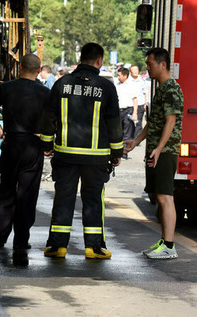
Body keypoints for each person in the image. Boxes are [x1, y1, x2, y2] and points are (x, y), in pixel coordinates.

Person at [39, 42, 122, 260]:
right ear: (99, 61)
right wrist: (116, 153)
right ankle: (93, 248)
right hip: (96, 158)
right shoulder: (106, 87)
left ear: (80, 58)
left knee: (63, 198)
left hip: (65, 155)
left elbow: (48, 118)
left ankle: (58, 247)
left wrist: (47, 145)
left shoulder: (61, 83)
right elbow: (114, 123)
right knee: (93, 200)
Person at [0, 53, 50, 266]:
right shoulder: (45, 93)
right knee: (27, 193)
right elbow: (54, 119)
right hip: (32, 146)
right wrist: (45, 138)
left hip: (11, 144)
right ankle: (21, 240)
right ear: (39, 70)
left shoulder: (6, 88)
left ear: (20, 68)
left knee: (7, 190)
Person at [125, 47, 183, 260]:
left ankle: (169, 246)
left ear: (163, 64)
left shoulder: (171, 89)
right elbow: (154, 123)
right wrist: (136, 142)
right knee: (159, 196)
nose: (147, 68)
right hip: (157, 151)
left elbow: (171, 121)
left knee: (166, 197)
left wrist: (158, 149)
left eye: (150, 64)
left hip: (165, 152)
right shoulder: (162, 89)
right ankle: (164, 241)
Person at [115, 67, 138, 157]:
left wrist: (135, 113)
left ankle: (124, 152)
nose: (118, 77)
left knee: (127, 132)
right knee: (118, 131)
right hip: (118, 111)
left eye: (119, 75)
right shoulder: (117, 85)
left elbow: (135, 100)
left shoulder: (131, 85)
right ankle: (117, 151)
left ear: (125, 76)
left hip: (128, 110)